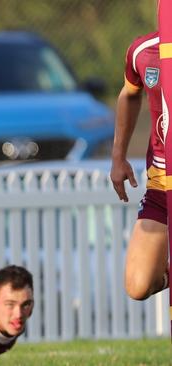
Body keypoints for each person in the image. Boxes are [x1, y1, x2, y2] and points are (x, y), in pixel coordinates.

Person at [110, 30, 170, 301]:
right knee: (138, 284)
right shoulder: (142, 50)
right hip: (161, 182)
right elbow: (129, 94)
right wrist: (118, 155)